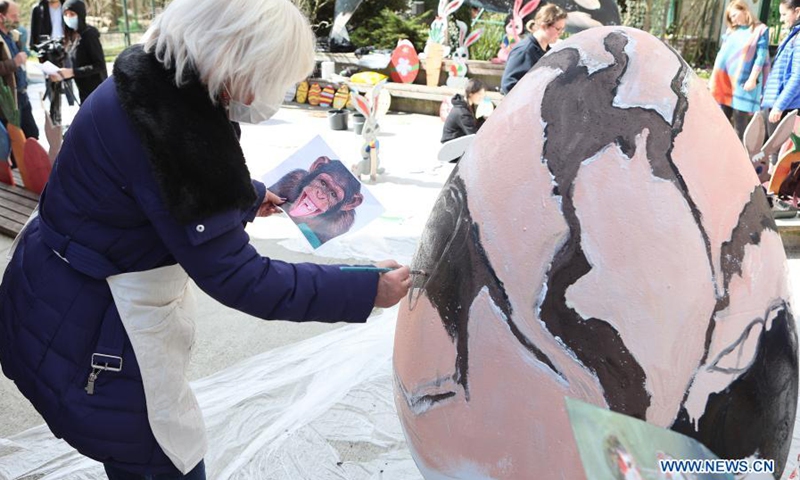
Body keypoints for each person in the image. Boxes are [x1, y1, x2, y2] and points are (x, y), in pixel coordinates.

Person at [0, 0, 411, 478]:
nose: (270, 93)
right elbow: (243, 278)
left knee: (129, 453)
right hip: (96, 327)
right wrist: (364, 287)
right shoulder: (174, 130)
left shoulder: (145, 80)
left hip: (50, 284)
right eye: (270, 77)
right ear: (233, 58)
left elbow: (153, 187)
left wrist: (243, 197)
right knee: (161, 458)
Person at [709, 0, 770, 139]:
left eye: (734, 15)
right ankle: (719, 148)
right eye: (730, 18)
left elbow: (760, 57)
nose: (733, 20)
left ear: (744, 10)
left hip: (743, 82)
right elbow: (722, 55)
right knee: (721, 120)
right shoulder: (732, 31)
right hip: (724, 80)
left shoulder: (759, 30)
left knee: (740, 123)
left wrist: (752, 79)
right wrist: (713, 79)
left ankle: (738, 151)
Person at [500, 3, 567, 95]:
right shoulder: (524, 50)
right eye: (558, 29)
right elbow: (508, 85)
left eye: (562, 29)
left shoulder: (548, 51)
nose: (560, 33)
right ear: (544, 26)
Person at [48, 0, 106, 102]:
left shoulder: (89, 35)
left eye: (72, 14)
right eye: (65, 14)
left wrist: (72, 72)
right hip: (83, 92)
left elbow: (99, 65)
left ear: (80, 14)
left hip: (97, 92)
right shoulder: (72, 36)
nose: (68, 17)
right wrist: (62, 74)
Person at [762, 0, 800, 145]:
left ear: (797, 12)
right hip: (780, 103)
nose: (781, 19)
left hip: (786, 107)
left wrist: (779, 105)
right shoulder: (794, 35)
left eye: (784, 14)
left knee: (777, 152)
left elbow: (797, 76)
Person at [0, 0, 37, 139]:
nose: (17, 19)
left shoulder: (12, 35)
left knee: (32, 135)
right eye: (13, 16)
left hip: (22, 95)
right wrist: (14, 62)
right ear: (1, 17)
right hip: (8, 103)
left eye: (18, 15)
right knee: (16, 141)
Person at [441, 78, 487, 143]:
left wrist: (484, 119)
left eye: (483, 94)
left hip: (458, 140)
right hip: (450, 144)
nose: (482, 97)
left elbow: (472, 124)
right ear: (471, 93)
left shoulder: (468, 105)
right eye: (479, 94)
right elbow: (473, 134)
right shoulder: (462, 112)